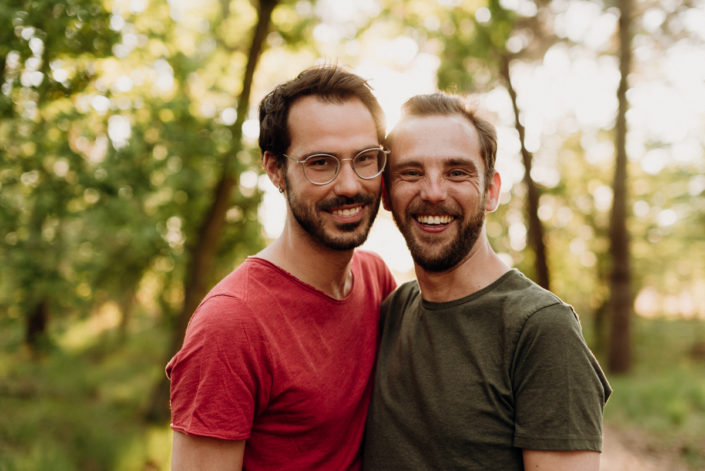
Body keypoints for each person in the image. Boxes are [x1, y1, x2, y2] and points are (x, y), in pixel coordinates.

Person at [363, 92, 611, 471]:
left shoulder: (541, 328)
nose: (432, 192)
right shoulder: (393, 311)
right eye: (411, 172)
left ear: (491, 191)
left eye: (457, 172)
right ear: (386, 193)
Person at [166, 65, 396, 471]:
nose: (349, 185)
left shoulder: (376, 279)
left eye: (365, 158)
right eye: (321, 163)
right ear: (275, 170)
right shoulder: (231, 325)